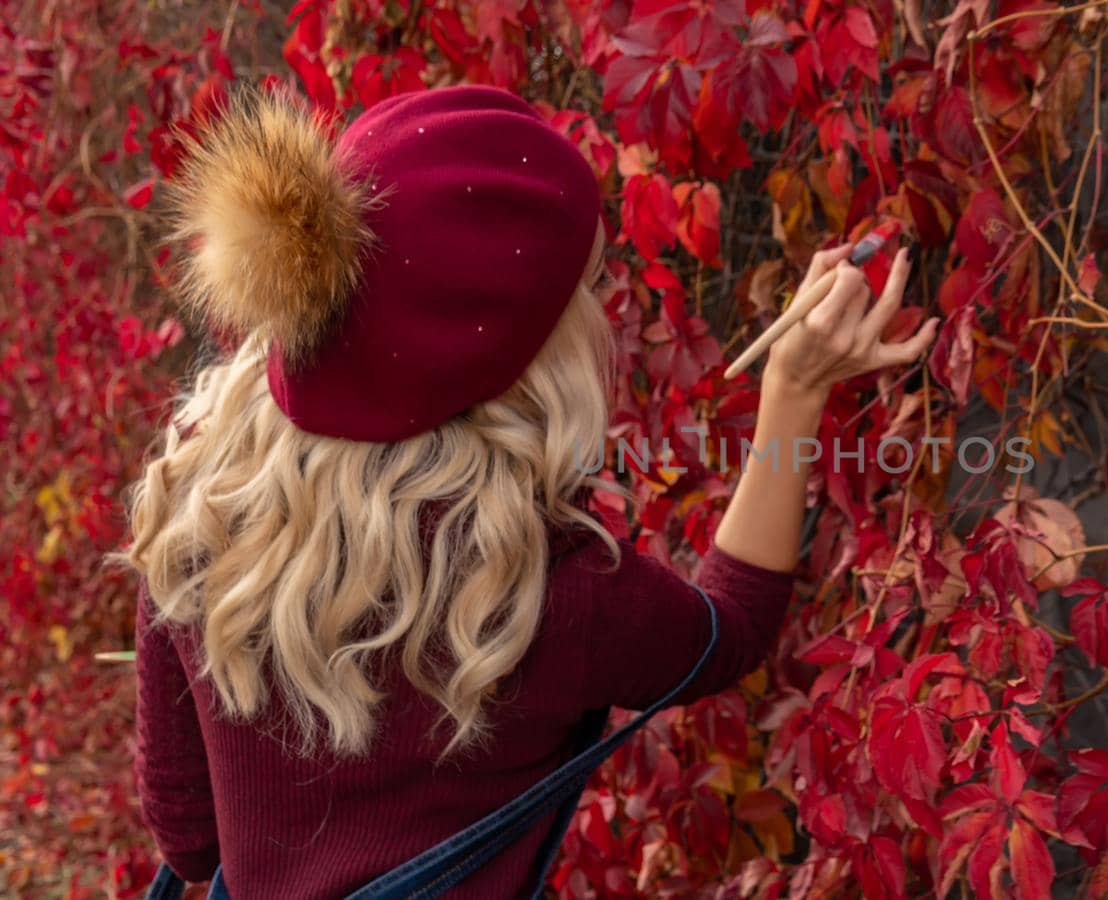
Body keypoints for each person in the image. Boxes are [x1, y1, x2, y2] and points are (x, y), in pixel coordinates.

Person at [113, 82, 938, 897]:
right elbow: (726, 632)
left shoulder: (198, 509)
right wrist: (793, 393)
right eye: (578, 292)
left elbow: (189, 842)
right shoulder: (537, 587)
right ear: (505, 356)